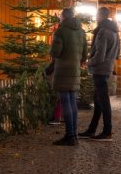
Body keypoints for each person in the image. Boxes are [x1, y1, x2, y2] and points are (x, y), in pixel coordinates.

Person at [79, 7, 121, 142]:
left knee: (103, 101)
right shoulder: (115, 31)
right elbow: (117, 52)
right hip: (107, 68)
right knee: (98, 101)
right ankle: (92, 129)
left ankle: (107, 131)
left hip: (100, 69)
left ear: (100, 15)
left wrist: (88, 62)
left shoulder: (103, 31)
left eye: (96, 15)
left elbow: (100, 55)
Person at [51, 8, 87, 146]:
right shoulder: (81, 32)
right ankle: (74, 134)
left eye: (60, 16)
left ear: (64, 17)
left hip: (63, 71)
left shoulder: (60, 31)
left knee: (65, 102)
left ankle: (69, 135)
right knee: (72, 103)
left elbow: (56, 52)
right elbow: (85, 55)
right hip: (75, 71)